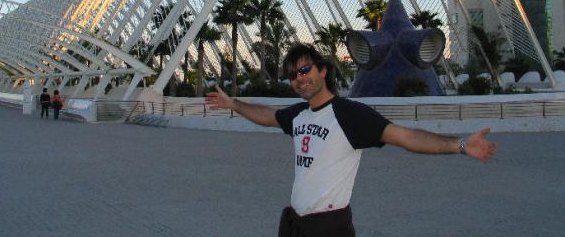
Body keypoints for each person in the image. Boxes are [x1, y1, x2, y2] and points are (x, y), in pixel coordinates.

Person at [206, 43, 497, 237]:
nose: (300, 78)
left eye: (305, 69)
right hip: (295, 223)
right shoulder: (300, 115)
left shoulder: (350, 115)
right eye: (293, 75)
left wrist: (459, 145)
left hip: (329, 228)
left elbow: (406, 137)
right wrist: (234, 105)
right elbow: (268, 116)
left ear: (323, 71)